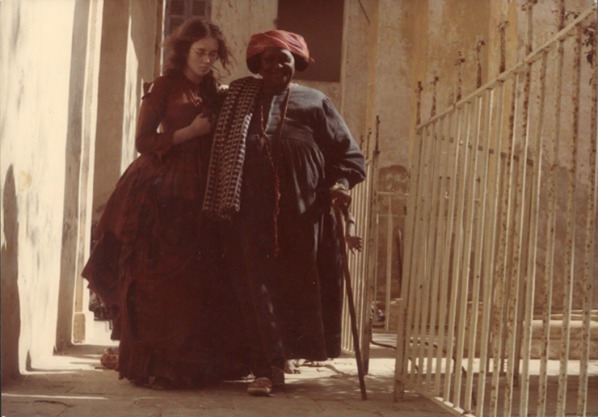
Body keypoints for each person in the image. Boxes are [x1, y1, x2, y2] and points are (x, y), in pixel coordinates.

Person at [82, 18, 250, 389]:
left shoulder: (211, 90)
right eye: (199, 52)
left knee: (197, 279)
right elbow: (143, 140)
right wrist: (188, 133)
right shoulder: (163, 86)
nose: (206, 60)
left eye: (212, 54)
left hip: (203, 188)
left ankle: (192, 366)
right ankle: (158, 366)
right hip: (162, 188)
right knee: (159, 277)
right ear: (184, 52)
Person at [203, 29, 366, 396]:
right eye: (269, 60)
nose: (277, 65)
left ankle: (283, 357)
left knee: (294, 286)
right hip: (248, 211)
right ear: (257, 65)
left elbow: (349, 155)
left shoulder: (316, 102)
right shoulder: (240, 100)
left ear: (297, 64)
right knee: (255, 286)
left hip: (303, 213)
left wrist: (341, 184)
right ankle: (265, 366)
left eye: (285, 60)